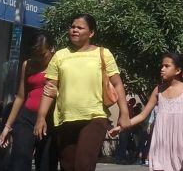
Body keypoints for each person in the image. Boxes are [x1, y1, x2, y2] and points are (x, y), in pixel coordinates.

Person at [34, 14, 130, 171]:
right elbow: (49, 90)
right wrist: (41, 118)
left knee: (83, 165)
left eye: (80, 27)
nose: (74, 30)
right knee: (67, 166)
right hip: (65, 119)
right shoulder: (60, 56)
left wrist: (124, 114)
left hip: (95, 117)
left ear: (91, 33)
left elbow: (117, 84)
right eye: (72, 27)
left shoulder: (103, 54)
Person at [109, 53, 183, 171]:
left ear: (178, 70)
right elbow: (143, 115)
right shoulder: (158, 90)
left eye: (166, 66)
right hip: (160, 139)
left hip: (178, 140)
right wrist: (121, 127)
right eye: (162, 66)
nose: (162, 69)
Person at [0, 33, 57, 171]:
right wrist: (7, 127)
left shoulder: (60, 65)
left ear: (52, 49)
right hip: (26, 118)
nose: (38, 59)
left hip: (50, 119)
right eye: (35, 54)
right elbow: (20, 96)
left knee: (46, 163)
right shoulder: (28, 64)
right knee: (20, 159)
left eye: (42, 55)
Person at [114, 98, 138, 164]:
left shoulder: (128, 107)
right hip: (124, 128)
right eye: (133, 103)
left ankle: (118, 157)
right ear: (132, 102)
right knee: (123, 143)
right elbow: (127, 118)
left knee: (122, 143)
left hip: (125, 128)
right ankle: (121, 158)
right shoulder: (127, 107)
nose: (133, 105)